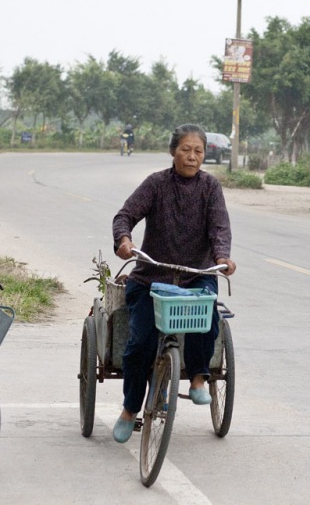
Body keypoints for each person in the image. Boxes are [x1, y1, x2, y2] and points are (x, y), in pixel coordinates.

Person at [111, 124, 237, 444]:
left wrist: (223, 256)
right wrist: (124, 241)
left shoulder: (211, 187)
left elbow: (219, 228)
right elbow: (124, 216)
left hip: (197, 273)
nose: (192, 157)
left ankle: (197, 378)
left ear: (204, 155)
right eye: (185, 149)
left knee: (208, 317)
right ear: (172, 151)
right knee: (139, 343)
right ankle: (129, 409)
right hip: (152, 275)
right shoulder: (155, 184)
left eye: (198, 151)